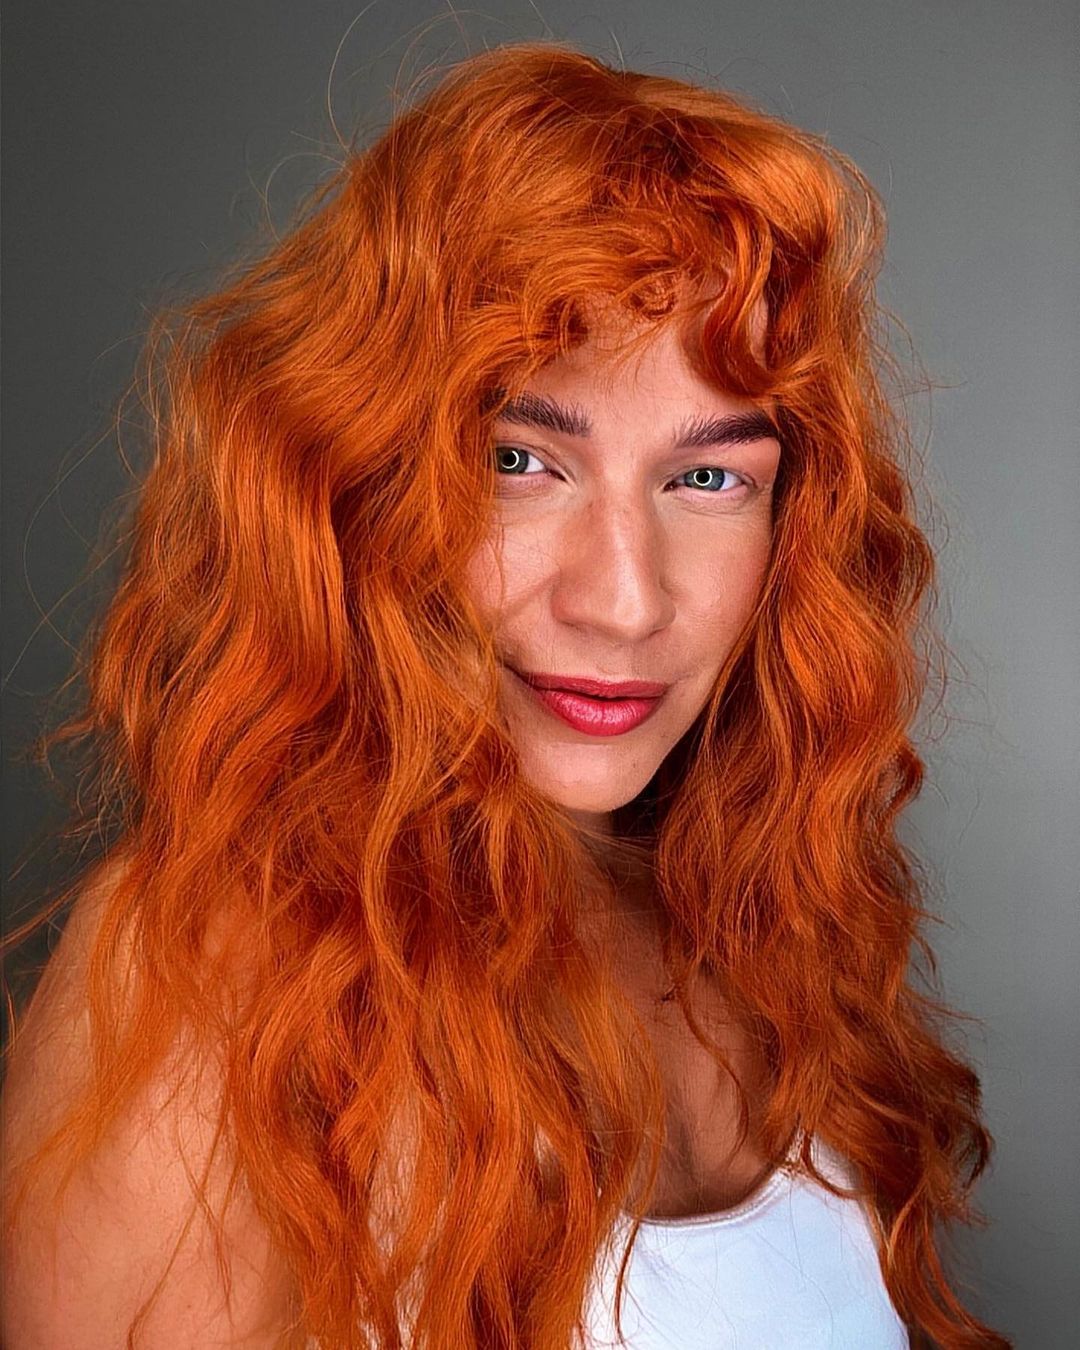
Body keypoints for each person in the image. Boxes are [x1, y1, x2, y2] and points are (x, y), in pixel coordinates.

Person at [0, 40, 1010, 1350]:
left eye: (709, 479)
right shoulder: (198, 977)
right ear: (355, 480)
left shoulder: (768, 931)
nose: (624, 601)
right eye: (520, 460)